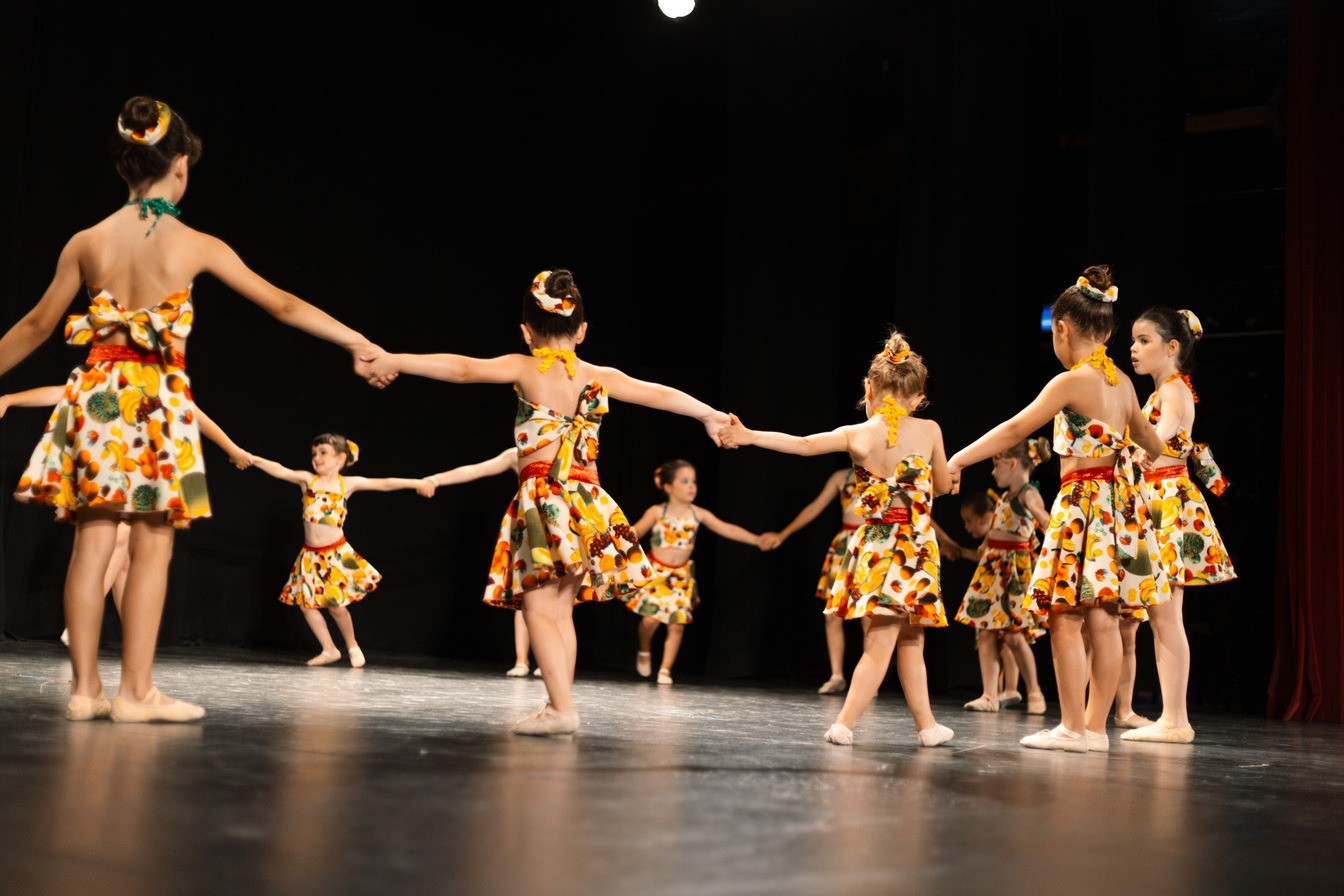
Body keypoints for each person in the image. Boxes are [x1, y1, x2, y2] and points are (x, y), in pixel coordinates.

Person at [0, 96, 392, 722]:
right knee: (152, 545)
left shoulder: (86, 241)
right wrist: (357, 342)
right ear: (180, 163)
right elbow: (282, 304)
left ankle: (84, 691)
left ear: (123, 167)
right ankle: (135, 693)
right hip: (159, 404)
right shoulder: (195, 244)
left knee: (91, 542)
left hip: (97, 397)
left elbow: (34, 327)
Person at [361, 269, 731, 735]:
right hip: (589, 502)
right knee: (560, 612)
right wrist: (708, 415)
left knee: (538, 610)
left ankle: (561, 710)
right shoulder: (599, 375)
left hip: (545, 499)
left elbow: (463, 368)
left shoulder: (525, 367)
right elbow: (658, 394)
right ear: (582, 330)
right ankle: (559, 703)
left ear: (526, 331)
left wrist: (395, 358)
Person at [947, 265, 1169, 753]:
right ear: (1107, 332)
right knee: (1104, 619)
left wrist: (958, 458)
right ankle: (1093, 730)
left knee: (1065, 616)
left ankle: (1072, 727)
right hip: (1115, 509)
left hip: (1081, 503)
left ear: (1063, 330)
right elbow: (1152, 443)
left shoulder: (1071, 381)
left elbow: (1014, 429)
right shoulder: (1124, 385)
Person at [721, 329, 955, 749]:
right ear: (918, 398)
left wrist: (750, 434)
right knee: (892, 639)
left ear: (869, 388)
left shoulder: (858, 434)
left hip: (877, 546)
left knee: (905, 638)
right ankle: (844, 724)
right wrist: (945, 478)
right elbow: (940, 486)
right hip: (915, 549)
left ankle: (927, 727)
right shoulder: (931, 431)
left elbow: (803, 444)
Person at [0, 384, 252, 645]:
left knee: (125, 560)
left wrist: (232, 449)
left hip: (143, 469)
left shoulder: (160, 381)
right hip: (112, 469)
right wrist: (9, 399)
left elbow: (191, 412)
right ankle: (81, 623)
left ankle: (135, 639)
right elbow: (65, 391)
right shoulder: (112, 375)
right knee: (121, 536)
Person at [1122, 306, 1235, 743]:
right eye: (1133, 340)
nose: (1134, 348)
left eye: (1144, 340)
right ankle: (1171, 718)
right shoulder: (1163, 390)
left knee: (1166, 616)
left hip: (1169, 502)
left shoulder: (1173, 390)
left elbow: (1164, 430)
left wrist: (1140, 447)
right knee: (1160, 616)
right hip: (1156, 499)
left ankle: (1175, 720)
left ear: (1171, 347)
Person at [249, 434, 435, 667]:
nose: (317, 458)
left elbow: (385, 483)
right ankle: (329, 649)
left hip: (334, 555)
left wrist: (417, 483)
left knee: (336, 606)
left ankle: (352, 646)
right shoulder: (308, 481)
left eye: (323, 453)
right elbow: (279, 470)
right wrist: (252, 458)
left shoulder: (346, 484)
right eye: (314, 454)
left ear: (340, 458)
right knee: (305, 605)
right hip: (309, 555)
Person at [626, 458, 770, 685]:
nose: (692, 486)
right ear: (668, 487)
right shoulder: (657, 512)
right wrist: (621, 535)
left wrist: (757, 540)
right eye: (685, 481)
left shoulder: (697, 514)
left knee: (677, 624)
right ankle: (644, 649)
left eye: (694, 481)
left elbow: (727, 528)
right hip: (657, 575)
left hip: (680, 577)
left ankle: (665, 669)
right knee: (650, 621)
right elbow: (638, 530)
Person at [423, 447, 542, 678]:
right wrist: (437, 479)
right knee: (526, 595)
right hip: (529, 526)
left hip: (556, 523)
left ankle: (548, 660)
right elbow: (476, 470)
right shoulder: (516, 454)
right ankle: (521, 660)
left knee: (552, 600)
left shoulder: (564, 446)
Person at [952, 439, 1051, 715]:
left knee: (1014, 637)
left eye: (997, 466)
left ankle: (1034, 691)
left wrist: (1048, 524)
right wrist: (986, 545)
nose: (993, 472)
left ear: (1012, 464)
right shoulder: (1006, 497)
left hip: (1012, 570)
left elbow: (1040, 514)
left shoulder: (1027, 493)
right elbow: (1000, 526)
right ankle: (989, 695)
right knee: (985, 631)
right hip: (993, 567)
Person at [765, 467, 867, 694]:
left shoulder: (882, 472)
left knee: (868, 615)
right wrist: (783, 534)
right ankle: (836, 675)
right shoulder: (841, 477)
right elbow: (814, 508)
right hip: (844, 546)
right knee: (832, 614)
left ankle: (869, 679)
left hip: (871, 544)